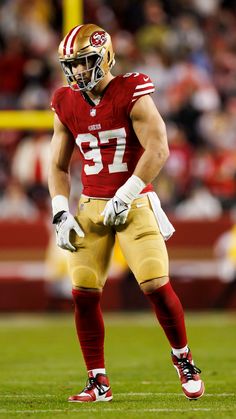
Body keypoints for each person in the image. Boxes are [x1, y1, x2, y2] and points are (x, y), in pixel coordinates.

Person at [48, 23, 204, 403]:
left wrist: (128, 191)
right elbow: (57, 165)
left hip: (133, 202)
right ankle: (98, 382)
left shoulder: (131, 89)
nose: (78, 73)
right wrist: (59, 211)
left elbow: (159, 148)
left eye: (85, 63)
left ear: (104, 57)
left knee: (153, 283)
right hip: (91, 205)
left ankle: (183, 359)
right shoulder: (65, 100)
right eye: (73, 65)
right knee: (83, 292)